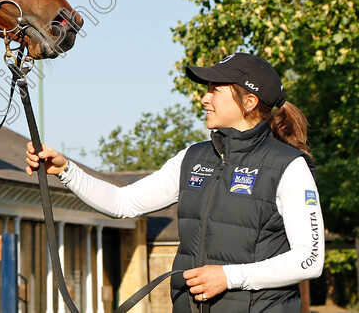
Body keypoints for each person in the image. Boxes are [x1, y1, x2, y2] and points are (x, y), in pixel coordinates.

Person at [26, 53, 323, 312]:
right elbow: (123, 203)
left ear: (249, 102)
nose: (205, 97)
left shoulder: (288, 166)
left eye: (215, 90)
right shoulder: (192, 158)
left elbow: (310, 259)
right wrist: (67, 170)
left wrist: (229, 277)